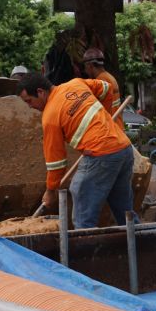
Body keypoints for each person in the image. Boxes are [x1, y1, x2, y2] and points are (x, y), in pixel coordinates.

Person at [17, 73, 135, 229]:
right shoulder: (75, 84)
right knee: (125, 212)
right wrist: (109, 122)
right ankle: (142, 247)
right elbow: (107, 88)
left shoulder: (50, 116)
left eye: (29, 101)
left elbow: (56, 163)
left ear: (40, 92)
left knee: (82, 213)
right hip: (124, 149)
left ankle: (85, 251)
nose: (30, 106)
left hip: (101, 155)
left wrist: (50, 191)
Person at [82, 47, 124, 130]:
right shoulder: (109, 77)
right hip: (117, 126)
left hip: (110, 129)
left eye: (85, 67)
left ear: (89, 66)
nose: (85, 70)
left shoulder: (101, 81)